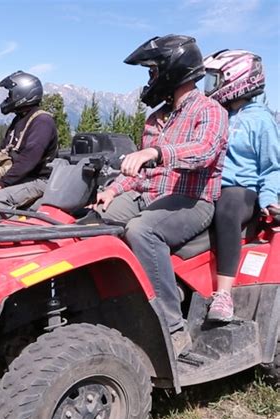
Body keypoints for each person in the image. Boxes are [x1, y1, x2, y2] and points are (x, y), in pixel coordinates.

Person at [93, 35, 229, 357]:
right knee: (93, 223)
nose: (150, 80)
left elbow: (204, 151)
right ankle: (108, 307)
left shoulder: (210, 110)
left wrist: (156, 152)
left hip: (192, 201)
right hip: (150, 195)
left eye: (152, 72)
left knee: (143, 230)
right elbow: (142, 175)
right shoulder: (155, 119)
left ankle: (172, 329)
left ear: (172, 70)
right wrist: (113, 190)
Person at [203, 50, 280, 322]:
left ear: (235, 79)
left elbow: (272, 166)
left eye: (215, 80)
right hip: (210, 187)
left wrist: (269, 200)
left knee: (227, 210)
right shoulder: (217, 114)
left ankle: (223, 296)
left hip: (242, 190)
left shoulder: (261, 120)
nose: (209, 87)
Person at [0, 70, 58, 211]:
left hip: (40, 179)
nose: (8, 98)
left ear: (22, 93)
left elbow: (29, 159)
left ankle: (11, 232)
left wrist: (2, 183)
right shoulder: (20, 119)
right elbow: (4, 150)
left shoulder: (42, 121)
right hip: (23, 176)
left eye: (10, 94)